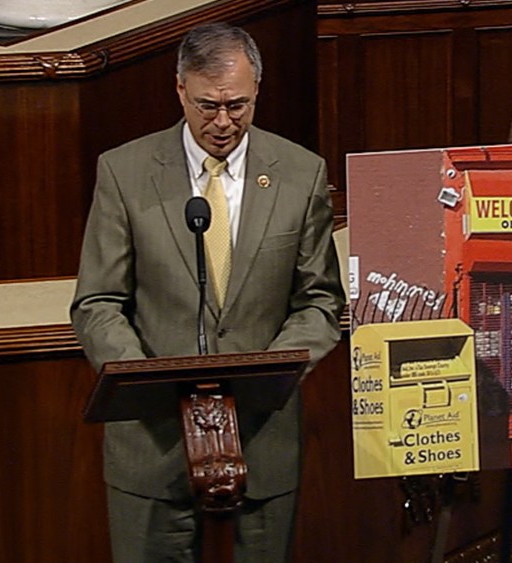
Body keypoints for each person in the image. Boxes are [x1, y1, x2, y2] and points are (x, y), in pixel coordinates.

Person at [71, 22, 344, 562]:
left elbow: (320, 300)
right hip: (153, 443)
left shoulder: (300, 173)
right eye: (207, 106)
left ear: (257, 89)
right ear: (180, 90)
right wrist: (144, 383)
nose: (222, 122)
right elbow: (97, 302)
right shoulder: (125, 172)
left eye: (237, 106)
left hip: (262, 437)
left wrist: (266, 374)